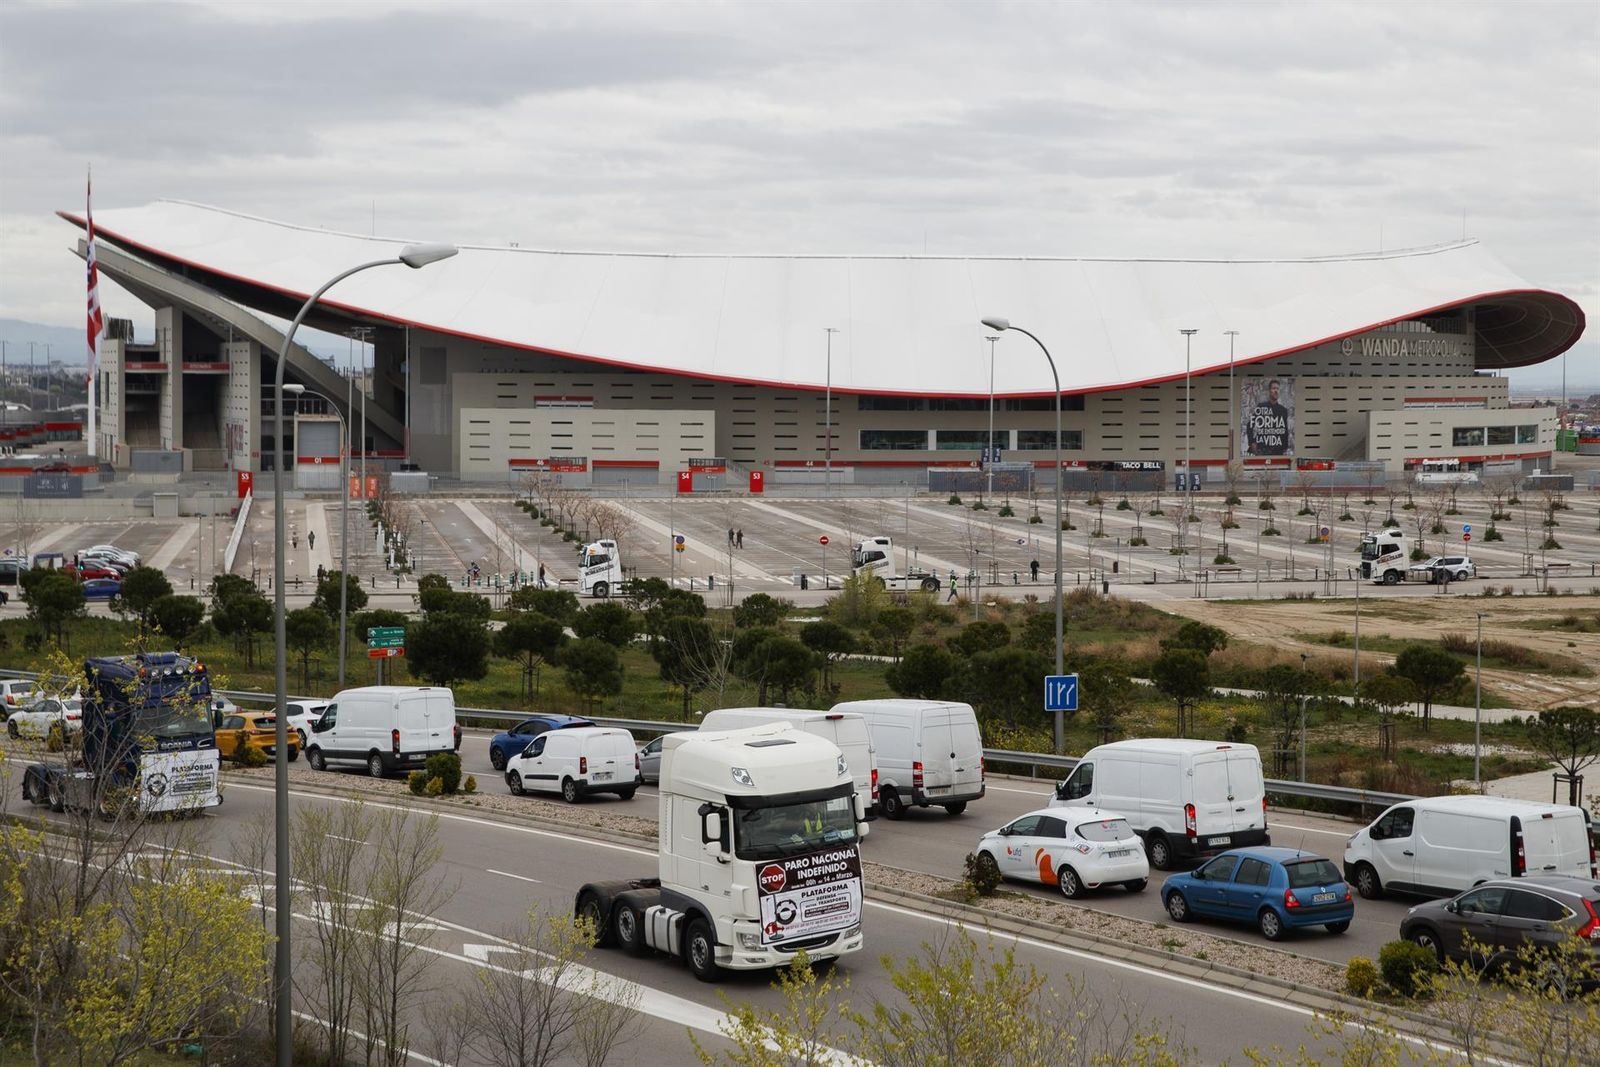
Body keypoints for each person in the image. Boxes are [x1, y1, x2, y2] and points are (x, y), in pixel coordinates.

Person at [1245, 378, 1292, 456]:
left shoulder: (1283, 410)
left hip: (1277, 450)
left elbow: (1285, 430)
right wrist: (1252, 442)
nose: (1276, 391)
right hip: (1262, 449)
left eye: (1277, 389)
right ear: (1269, 391)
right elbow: (1250, 425)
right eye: (1274, 388)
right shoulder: (1261, 407)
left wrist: (1285, 448)